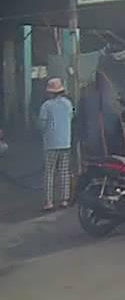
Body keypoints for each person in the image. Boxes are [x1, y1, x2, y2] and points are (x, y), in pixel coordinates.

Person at [37, 77, 74, 210]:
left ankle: (49, 202)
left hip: (51, 143)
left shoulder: (46, 106)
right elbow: (71, 117)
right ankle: (64, 199)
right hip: (65, 142)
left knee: (49, 172)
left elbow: (41, 124)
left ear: (50, 92)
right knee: (64, 172)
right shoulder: (68, 104)